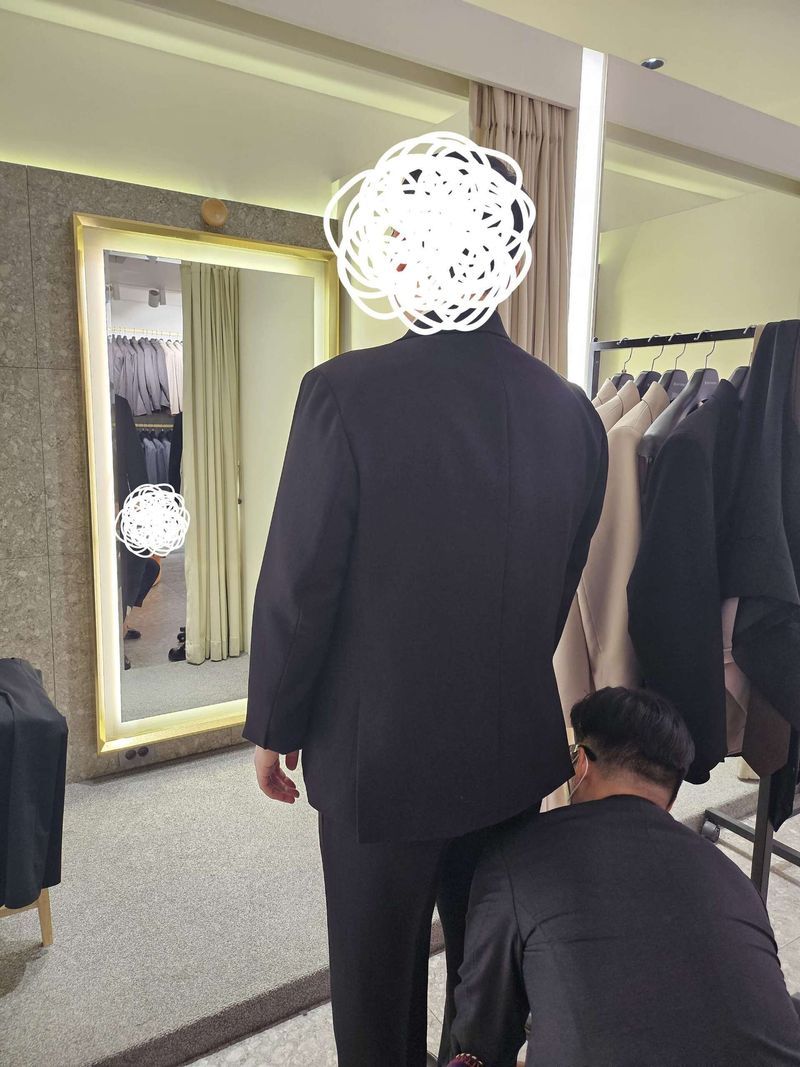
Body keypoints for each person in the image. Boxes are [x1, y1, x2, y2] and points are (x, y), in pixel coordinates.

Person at [243, 134, 608, 1066]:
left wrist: (276, 721)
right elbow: (556, 586)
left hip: (381, 761)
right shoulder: (572, 412)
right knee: (489, 988)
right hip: (510, 753)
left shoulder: (343, 395)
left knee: (377, 993)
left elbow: (300, 585)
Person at [448, 687, 800, 1067]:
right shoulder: (732, 877)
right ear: (671, 796)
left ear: (581, 764)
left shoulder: (516, 854)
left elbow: (481, 1038)